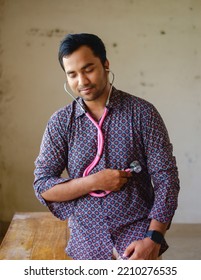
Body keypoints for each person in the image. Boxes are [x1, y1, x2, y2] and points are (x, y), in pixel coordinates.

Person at [33, 33, 180, 260]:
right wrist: (93, 182)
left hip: (137, 237)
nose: (81, 81)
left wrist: (153, 239)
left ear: (105, 64)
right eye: (72, 74)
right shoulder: (61, 122)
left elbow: (167, 179)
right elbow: (43, 185)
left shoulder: (143, 113)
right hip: (86, 241)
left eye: (88, 69)